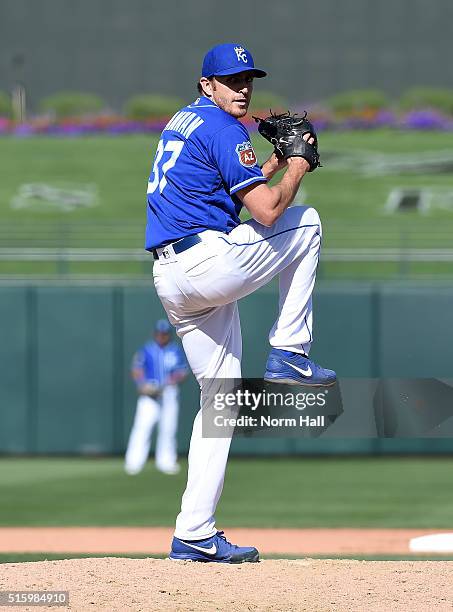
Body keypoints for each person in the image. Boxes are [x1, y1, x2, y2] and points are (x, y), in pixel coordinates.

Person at [145, 43, 336, 563]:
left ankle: (194, 533)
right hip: (206, 264)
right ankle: (290, 351)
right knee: (308, 222)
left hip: (173, 276)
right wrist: (296, 164)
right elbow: (270, 212)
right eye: (231, 80)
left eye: (248, 78)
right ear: (207, 85)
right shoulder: (224, 128)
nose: (243, 87)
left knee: (220, 404)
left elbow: (226, 197)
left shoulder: (186, 122)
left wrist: (273, 160)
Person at [124, 319, 188, 476]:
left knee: (168, 428)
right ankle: (134, 462)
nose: (162, 336)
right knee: (142, 427)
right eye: (159, 333)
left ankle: (166, 461)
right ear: (155, 334)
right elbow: (137, 369)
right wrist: (142, 384)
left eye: (165, 334)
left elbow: (182, 371)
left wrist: (170, 381)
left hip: (168, 393)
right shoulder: (146, 350)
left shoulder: (175, 350)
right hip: (150, 394)